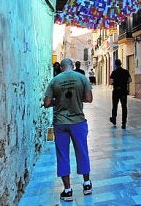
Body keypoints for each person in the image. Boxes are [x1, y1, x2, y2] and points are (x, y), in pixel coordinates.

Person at [44, 58, 93, 202]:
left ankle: (67, 190)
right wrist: (78, 99)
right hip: (78, 121)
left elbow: (47, 102)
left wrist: (56, 101)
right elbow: (89, 98)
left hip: (61, 123)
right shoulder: (82, 78)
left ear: (62, 67)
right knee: (82, 151)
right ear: (72, 66)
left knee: (62, 154)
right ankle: (86, 184)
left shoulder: (55, 81)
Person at [109, 59, 131, 129]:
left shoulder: (114, 72)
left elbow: (111, 82)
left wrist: (116, 83)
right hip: (123, 91)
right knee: (124, 107)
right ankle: (124, 123)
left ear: (115, 64)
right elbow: (130, 80)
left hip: (116, 91)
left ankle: (114, 120)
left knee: (115, 106)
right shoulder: (125, 71)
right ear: (121, 64)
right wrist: (124, 83)